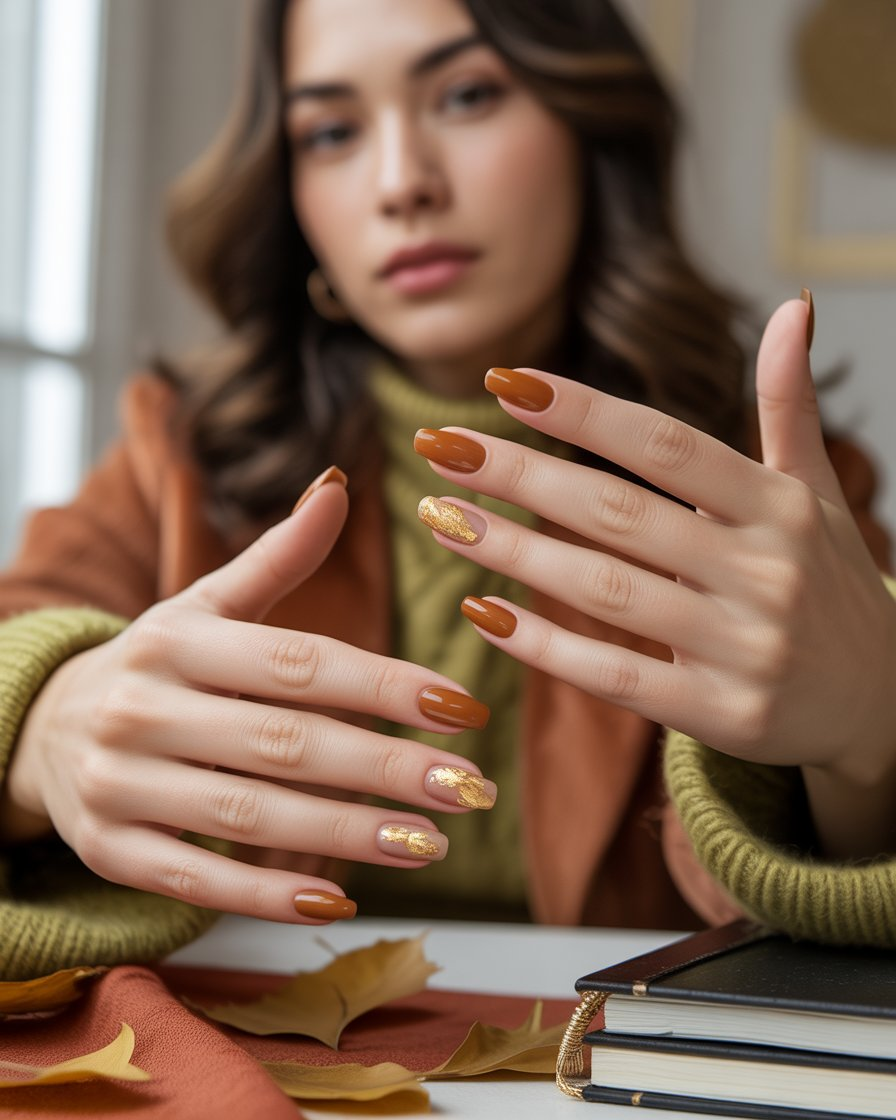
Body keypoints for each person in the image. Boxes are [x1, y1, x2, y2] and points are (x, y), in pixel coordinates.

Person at [1, 0, 894, 982]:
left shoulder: (770, 491)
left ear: (586, 127)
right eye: (332, 131)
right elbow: (22, 631)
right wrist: (45, 724)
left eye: (466, 95)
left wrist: (867, 745)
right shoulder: (178, 454)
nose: (401, 184)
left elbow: (820, 910)